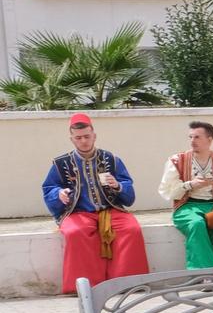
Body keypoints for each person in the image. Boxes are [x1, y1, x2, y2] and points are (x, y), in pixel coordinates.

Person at [43, 112, 149, 290]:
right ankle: (86, 286)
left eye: (86, 136)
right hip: (78, 212)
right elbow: (49, 188)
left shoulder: (112, 159)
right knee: (76, 233)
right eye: (78, 138)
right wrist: (58, 194)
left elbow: (127, 187)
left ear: (94, 136)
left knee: (131, 230)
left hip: (111, 209)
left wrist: (118, 186)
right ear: (72, 140)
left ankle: (126, 284)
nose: (83, 141)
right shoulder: (60, 163)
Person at [158, 121, 213, 270]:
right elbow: (167, 191)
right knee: (196, 224)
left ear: (209, 139)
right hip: (187, 206)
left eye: (197, 137)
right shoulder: (177, 160)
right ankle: (207, 273)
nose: (192, 141)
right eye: (190, 137)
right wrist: (190, 185)